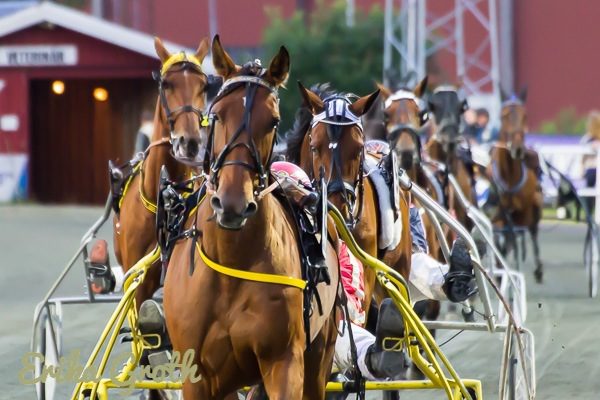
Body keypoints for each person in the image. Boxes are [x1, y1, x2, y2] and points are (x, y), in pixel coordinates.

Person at [580, 111, 600, 213]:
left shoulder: (587, 138)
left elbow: (582, 158)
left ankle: (589, 213)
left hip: (592, 170)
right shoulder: (587, 139)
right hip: (592, 170)